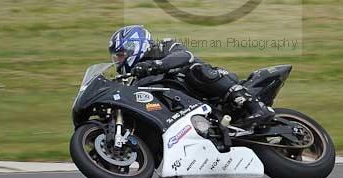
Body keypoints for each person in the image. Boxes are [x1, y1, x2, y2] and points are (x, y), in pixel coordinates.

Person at [108, 25, 274, 128]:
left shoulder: (164, 46)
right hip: (182, 110)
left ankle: (256, 107)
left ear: (134, 46)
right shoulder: (137, 78)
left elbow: (185, 55)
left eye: (121, 55)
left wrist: (155, 65)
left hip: (208, 90)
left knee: (196, 70)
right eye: (117, 58)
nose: (119, 61)